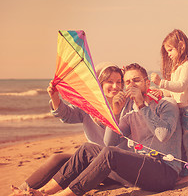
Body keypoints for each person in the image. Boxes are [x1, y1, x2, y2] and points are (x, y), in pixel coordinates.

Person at [13, 63, 182, 196]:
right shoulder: (128, 112)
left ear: (147, 83)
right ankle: (43, 192)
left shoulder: (166, 104)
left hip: (164, 172)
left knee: (110, 153)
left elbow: (163, 135)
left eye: (136, 80)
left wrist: (140, 104)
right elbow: (109, 142)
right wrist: (115, 113)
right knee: (87, 148)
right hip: (137, 169)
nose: (130, 85)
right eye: (128, 82)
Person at [15, 62, 124, 191]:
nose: (115, 86)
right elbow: (66, 115)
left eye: (119, 82)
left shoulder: (127, 106)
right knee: (59, 158)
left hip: (115, 166)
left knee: (84, 152)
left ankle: (44, 192)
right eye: (109, 82)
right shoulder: (89, 106)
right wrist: (55, 97)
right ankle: (21, 191)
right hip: (92, 160)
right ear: (100, 84)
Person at [150, 29, 188, 184]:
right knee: (182, 143)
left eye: (170, 50)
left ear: (181, 45)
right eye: (167, 51)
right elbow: (173, 91)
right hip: (183, 110)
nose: (168, 54)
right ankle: (185, 170)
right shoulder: (177, 67)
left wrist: (161, 82)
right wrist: (159, 91)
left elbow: (181, 86)